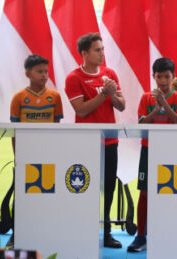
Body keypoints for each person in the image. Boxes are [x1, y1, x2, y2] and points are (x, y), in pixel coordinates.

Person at [64, 33, 125, 248]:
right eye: (97, 50)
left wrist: (111, 94)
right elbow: (81, 111)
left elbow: (122, 105)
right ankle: (82, 229)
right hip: (85, 142)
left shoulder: (110, 74)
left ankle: (106, 231)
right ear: (84, 53)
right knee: (83, 186)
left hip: (109, 142)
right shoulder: (74, 78)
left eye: (102, 49)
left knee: (108, 187)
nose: (102, 54)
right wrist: (103, 95)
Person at [127, 58, 177, 252]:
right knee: (144, 193)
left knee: (172, 192)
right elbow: (142, 124)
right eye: (158, 76)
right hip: (149, 149)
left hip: (171, 150)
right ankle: (141, 235)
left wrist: (164, 105)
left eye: (166, 76)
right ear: (154, 77)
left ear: (173, 77)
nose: (162, 81)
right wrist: (157, 109)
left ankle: (169, 233)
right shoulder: (146, 98)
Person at [6, 55, 64, 247]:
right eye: (40, 71)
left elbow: (56, 127)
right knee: (22, 196)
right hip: (25, 156)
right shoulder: (18, 98)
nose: (44, 75)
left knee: (47, 194)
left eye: (46, 71)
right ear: (28, 74)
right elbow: (15, 131)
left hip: (47, 155)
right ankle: (17, 235)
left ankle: (46, 231)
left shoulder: (55, 97)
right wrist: (18, 156)